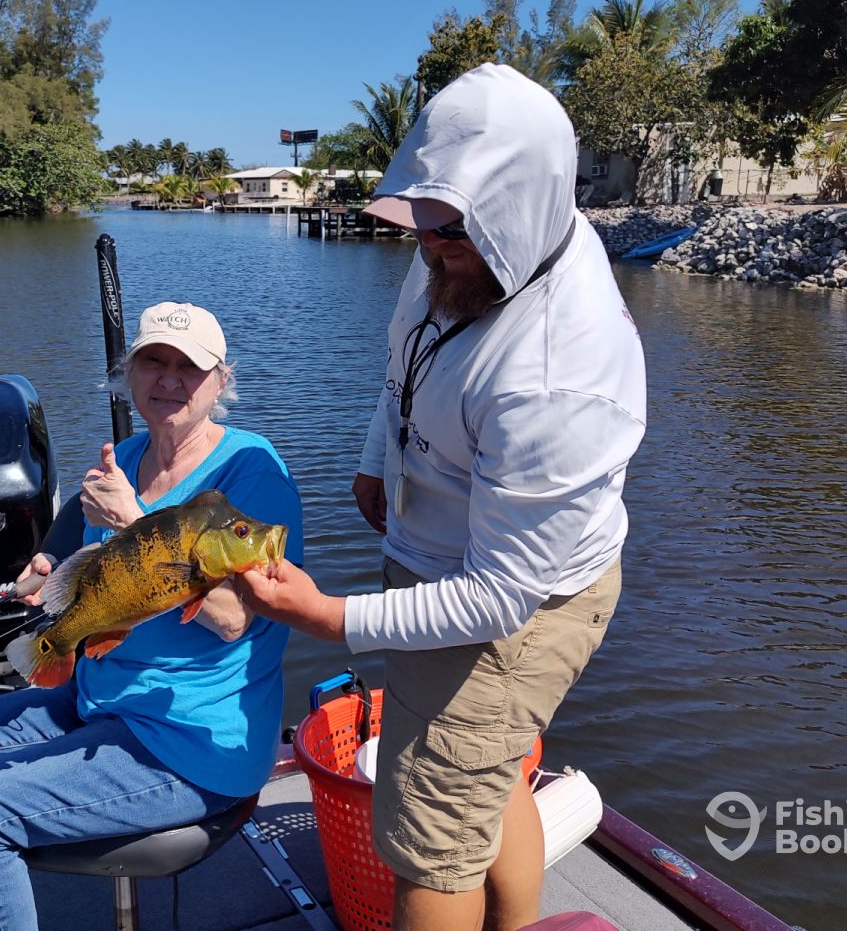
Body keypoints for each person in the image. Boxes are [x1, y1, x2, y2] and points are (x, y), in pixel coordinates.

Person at [240, 64, 647, 931]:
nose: (427, 243)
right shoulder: (461, 244)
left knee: (430, 842)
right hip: (447, 562)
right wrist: (374, 456)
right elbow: (407, 358)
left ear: (517, 209)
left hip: (514, 611)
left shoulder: (560, 376)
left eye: (448, 228)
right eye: (419, 219)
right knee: (490, 779)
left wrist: (328, 618)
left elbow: (498, 600)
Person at [0, 301, 304, 931]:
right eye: (153, 362)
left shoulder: (252, 472)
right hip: (98, 695)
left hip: (190, 741)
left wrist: (134, 517)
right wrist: (47, 567)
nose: (169, 380)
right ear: (128, 374)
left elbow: (234, 620)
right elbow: (84, 548)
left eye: (189, 367)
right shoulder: (125, 459)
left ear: (221, 381)